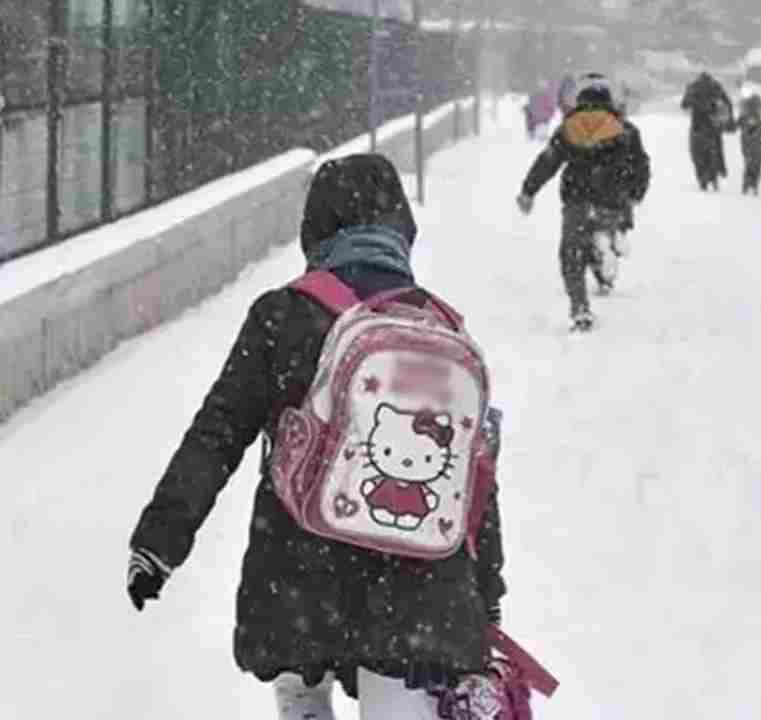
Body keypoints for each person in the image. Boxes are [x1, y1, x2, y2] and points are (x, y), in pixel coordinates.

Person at [125, 153, 507, 718]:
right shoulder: (440, 326)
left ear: (316, 227)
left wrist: (159, 540)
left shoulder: (282, 316)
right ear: (401, 227)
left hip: (299, 574)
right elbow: (472, 477)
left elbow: (217, 433)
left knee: (302, 688)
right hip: (417, 589)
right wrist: (485, 595)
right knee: (398, 696)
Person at [517, 76, 651, 331]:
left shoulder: (569, 127)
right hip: (613, 200)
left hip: (577, 199)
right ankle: (611, 244)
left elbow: (548, 161)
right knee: (607, 228)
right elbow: (641, 165)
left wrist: (528, 191)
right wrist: (636, 193)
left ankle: (580, 307)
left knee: (571, 254)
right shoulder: (626, 130)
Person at [681, 71, 735, 191]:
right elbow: (728, 102)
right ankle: (718, 171)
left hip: (698, 125)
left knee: (696, 153)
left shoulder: (693, 87)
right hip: (713, 125)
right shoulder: (716, 86)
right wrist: (730, 121)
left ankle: (704, 176)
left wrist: (695, 103)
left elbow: (684, 104)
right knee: (717, 148)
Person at [738, 94, 761, 195]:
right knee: (756, 165)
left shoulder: (748, 116)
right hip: (757, 145)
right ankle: (752, 184)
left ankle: (749, 184)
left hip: (751, 145)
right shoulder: (759, 116)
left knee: (750, 164)